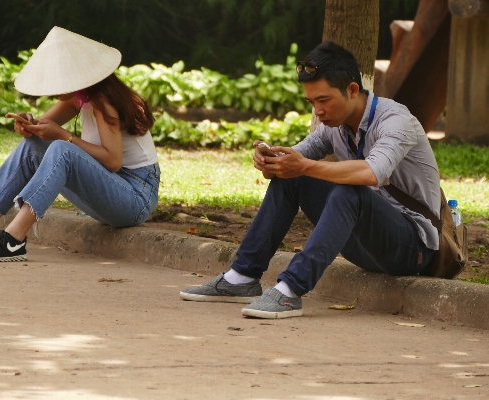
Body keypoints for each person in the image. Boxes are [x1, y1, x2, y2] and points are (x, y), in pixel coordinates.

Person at [180, 40, 440, 319]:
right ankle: (241, 277)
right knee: (295, 177)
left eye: (324, 100)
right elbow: (298, 161)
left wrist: (302, 165)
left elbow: (371, 173)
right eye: (312, 102)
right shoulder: (333, 126)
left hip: (413, 249)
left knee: (349, 192)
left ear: (352, 90)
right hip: (366, 245)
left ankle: (290, 291)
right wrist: (272, 163)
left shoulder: (396, 120)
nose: (318, 111)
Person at [0, 26, 160, 262]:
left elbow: (113, 161)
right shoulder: (80, 97)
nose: (53, 87)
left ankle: (14, 238)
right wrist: (27, 125)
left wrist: (63, 135)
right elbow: (44, 129)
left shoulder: (105, 101)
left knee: (63, 149)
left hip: (134, 199)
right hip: (111, 189)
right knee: (35, 147)